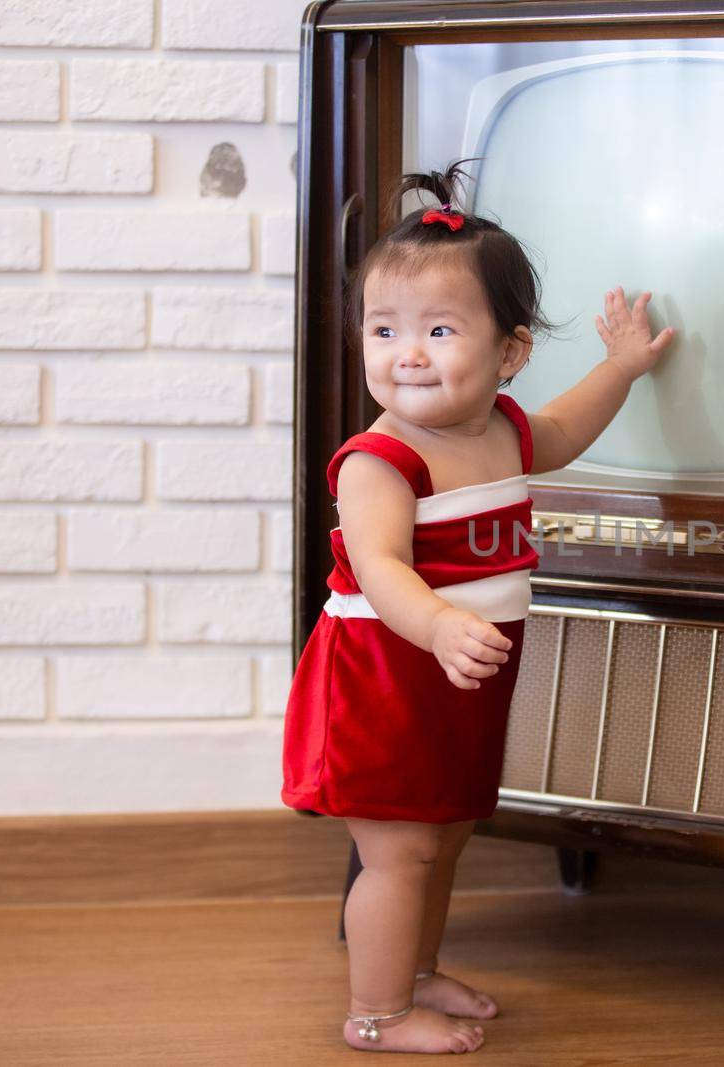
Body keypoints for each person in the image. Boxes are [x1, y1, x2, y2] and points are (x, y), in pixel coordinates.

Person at [281, 160, 676, 1054]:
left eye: (439, 329)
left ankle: (416, 976)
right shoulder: (381, 460)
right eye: (384, 329)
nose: (406, 351)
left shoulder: (501, 430)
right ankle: (376, 1013)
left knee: (445, 835)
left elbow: (568, 429)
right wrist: (437, 622)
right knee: (398, 851)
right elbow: (379, 565)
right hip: (386, 677)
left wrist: (621, 368)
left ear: (510, 352)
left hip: (455, 678)